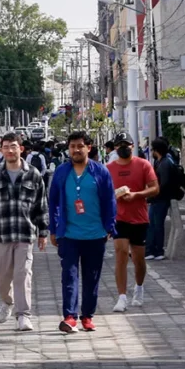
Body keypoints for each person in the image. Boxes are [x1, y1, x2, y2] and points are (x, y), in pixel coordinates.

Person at [0, 132, 49, 332]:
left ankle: (23, 315)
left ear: (21, 148)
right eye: (6, 146)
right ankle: (7, 301)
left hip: (26, 234)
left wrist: (43, 231)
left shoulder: (33, 174)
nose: (9, 150)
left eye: (13, 146)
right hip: (2, 233)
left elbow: (41, 205)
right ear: (1, 149)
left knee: (22, 274)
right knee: (3, 277)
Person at [48, 131, 117, 334]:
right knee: (68, 276)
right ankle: (70, 317)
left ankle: (87, 316)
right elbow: (53, 202)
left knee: (91, 277)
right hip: (68, 234)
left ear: (88, 147)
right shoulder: (62, 172)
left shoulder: (100, 172)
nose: (76, 150)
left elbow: (109, 201)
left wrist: (109, 228)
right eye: (72, 146)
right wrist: (53, 229)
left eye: (80, 146)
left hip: (95, 235)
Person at [106, 132, 159, 312]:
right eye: (119, 145)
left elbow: (154, 188)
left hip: (139, 217)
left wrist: (136, 195)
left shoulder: (143, 165)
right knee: (120, 253)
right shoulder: (109, 168)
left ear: (132, 146)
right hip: (118, 218)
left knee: (138, 259)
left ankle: (139, 287)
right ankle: (121, 297)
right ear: (115, 148)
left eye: (126, 144)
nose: (123, 148)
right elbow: (103, 194)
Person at [146, 138, 178, 260]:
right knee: (152, 224)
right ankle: (151, 250)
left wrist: (152, 194)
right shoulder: (160, 162)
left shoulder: (164, 164)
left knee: (157, 225)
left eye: (153, 149)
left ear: (156, 150)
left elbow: (163, 184)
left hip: (160, 199)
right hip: (156, 199)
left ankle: (158, 250)